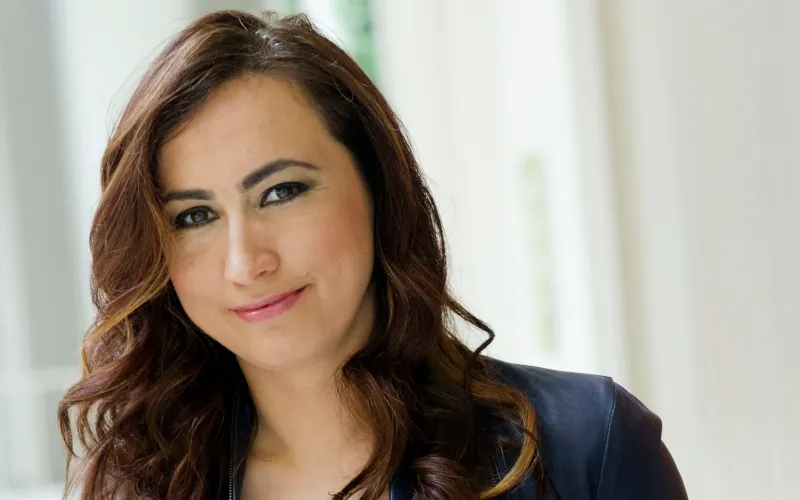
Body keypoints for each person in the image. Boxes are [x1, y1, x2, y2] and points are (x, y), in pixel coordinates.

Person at [58, 10, 687, 500]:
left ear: (377, 186)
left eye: (281, 192)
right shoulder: (133, 485)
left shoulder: (586, 446)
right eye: (195, 216)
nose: (245, 262)